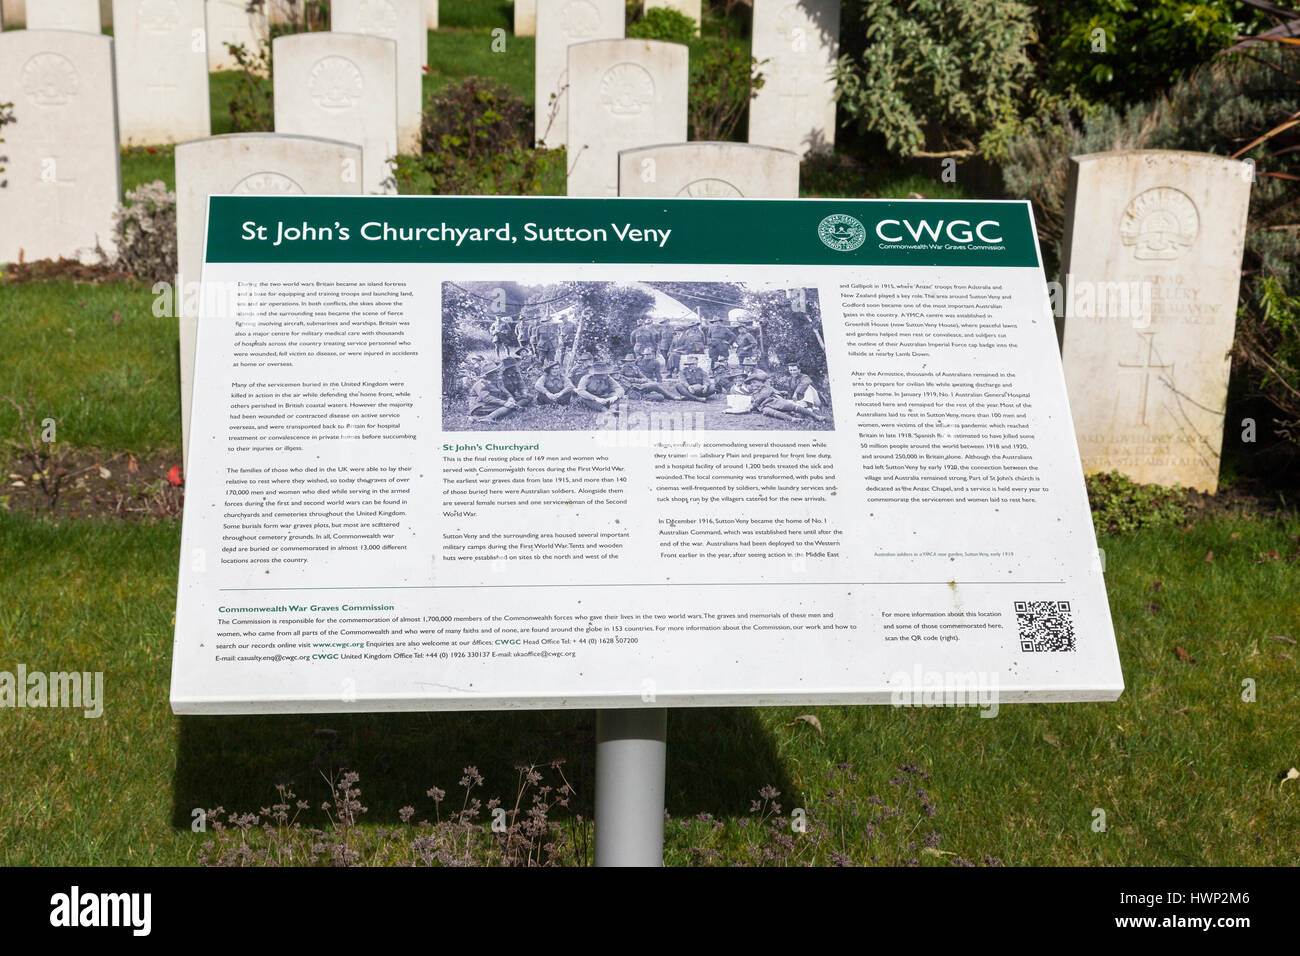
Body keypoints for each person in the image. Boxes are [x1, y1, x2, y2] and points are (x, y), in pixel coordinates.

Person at [744, 369, 826, 422]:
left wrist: (755, 404)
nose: (753, 385)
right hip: (765, 406)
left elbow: (764, 396)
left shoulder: (766, 388)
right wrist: (752, 406)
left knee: (789, 405)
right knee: (768, 411)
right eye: (751, 384)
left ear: (761, 382)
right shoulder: (754, 393)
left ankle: (816, 416)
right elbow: (754, 401)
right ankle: (793, 419)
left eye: (755, 382)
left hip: (773, 401)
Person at [617, 354, 683, 402]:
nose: (630, 363)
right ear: (625, 362)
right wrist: (642, 381)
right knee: (660, 397)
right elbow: (625, 380)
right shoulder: (622, 369)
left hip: (639, 386)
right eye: (628, 361)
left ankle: (672, 397)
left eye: (631, 361)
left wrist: (648, 381)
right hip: (632, 390)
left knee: (655, 386)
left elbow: (643, 376)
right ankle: (647, 397)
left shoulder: (635, 368)